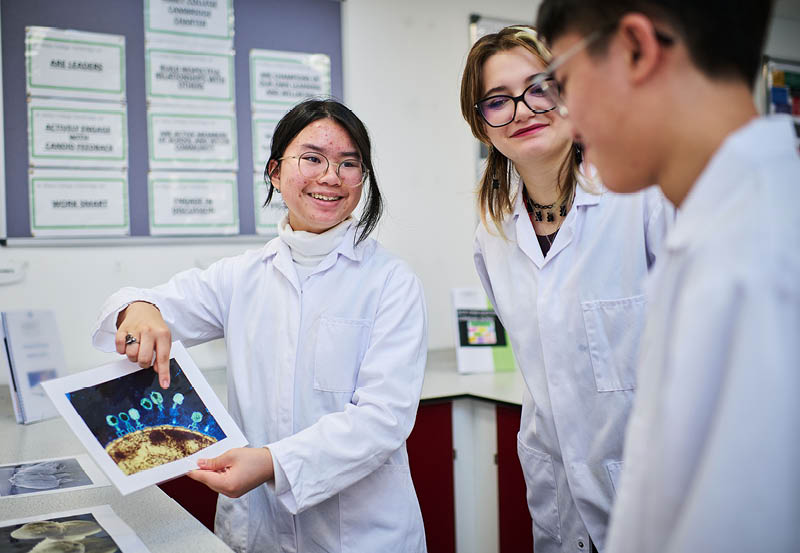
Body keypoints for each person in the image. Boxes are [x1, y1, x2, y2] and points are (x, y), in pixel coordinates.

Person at [91, 99, 429, 553]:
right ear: (275, 171)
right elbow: (142, 309)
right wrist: (139, 308)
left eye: (349, 164)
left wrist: (273, 463)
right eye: (312, 158)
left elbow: (382, 419)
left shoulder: (390, 281)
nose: (331, 176)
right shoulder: (241, 276)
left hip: (362, 533)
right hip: (256, 530)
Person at [536, 1, 800, 551]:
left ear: (636, 48)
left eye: (563, 82)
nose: (567, 119)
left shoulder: (757, 259)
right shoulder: (723, 227)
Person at [460, 26, 671, 553]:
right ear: (482, 127)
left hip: (660, 489)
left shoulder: (642, 196)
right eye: (497, 102)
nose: (523, 110)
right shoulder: (494, 235)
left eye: (540, 87)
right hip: (559, 495)